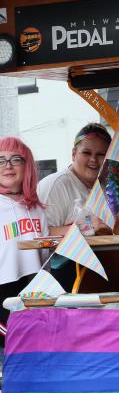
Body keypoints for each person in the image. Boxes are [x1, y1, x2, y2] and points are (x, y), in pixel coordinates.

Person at [0, 137, 47, 325]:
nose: (8, 165)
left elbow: (44, 254)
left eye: (16, 159)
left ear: (27, 166)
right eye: (1, 160)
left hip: (34, 291)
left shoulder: (37, 208)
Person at [38, 123, 112, 236]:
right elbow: (40, 234)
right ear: (73, 154)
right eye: (86, 153)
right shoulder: (55, 185)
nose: (93, 159)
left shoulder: (110, 186)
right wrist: (87, 227)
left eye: (101, 154)